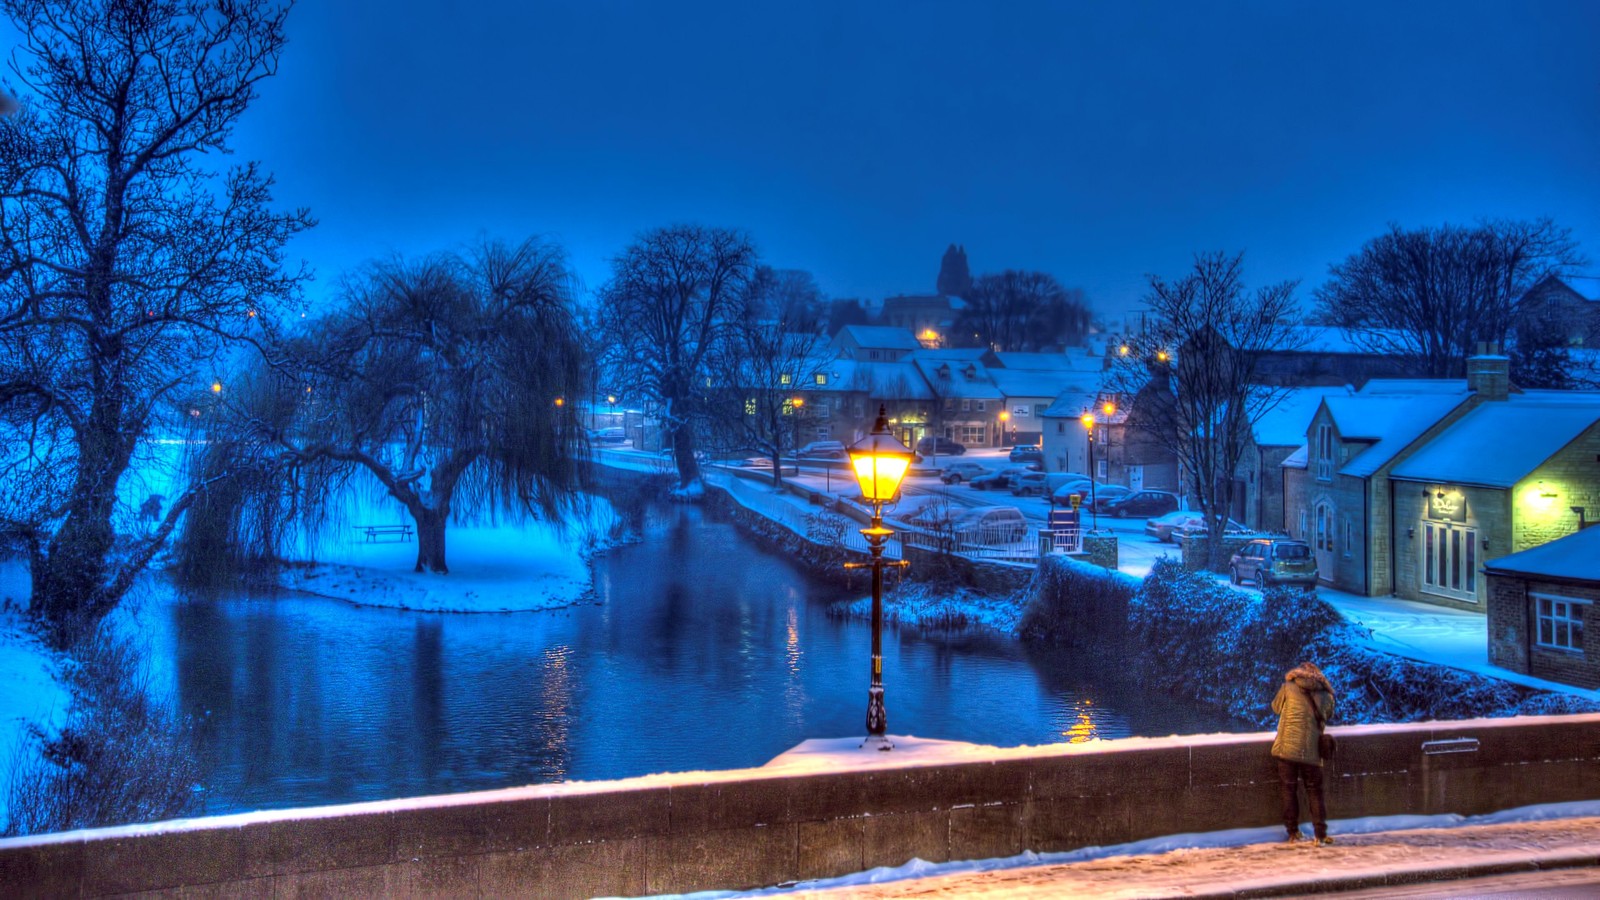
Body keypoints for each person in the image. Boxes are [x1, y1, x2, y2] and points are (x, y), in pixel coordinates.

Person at [1271, 660, 1336, 844]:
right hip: (1311, 751)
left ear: (1298, 674)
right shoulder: (1326, 695)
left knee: (1288, 790)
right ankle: (1320, 835)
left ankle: (1293, 833)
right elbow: (1328, 714)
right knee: (1315, 792)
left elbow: (1275, 707)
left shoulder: (1287, 687)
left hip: (1287, 750)